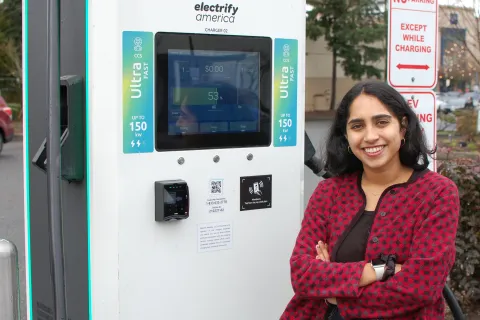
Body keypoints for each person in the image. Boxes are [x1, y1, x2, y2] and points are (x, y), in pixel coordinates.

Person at [280, 80, 460, 319]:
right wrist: (377, 271)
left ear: (403, 127)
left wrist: (333, 294)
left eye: (381, 122)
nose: (370, 136)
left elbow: (419, 288)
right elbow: (302, 274)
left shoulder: (437, 193)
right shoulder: (329, 192)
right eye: (357, 126)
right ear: (346, 135)